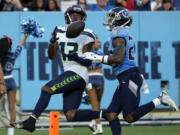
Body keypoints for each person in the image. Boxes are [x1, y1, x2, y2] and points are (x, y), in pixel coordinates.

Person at [82, 7, 179, 135]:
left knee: (129, 117)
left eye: (112, 17)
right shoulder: (121, 32)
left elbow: (118, 58)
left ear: (120, 20)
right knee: (111, 114)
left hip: (129, 77)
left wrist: (98, 58)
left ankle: (160, 99)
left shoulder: (118, 32)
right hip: (126, 77)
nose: (109, 19)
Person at [10, 5, 103, 132]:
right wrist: (52, 42)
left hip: (79, 74)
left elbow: (88, 62)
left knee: (47, 89)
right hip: (70, 74)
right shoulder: (59, 31)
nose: (75, 17)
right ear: (67, 17)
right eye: (73, 14)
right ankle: (105, 114)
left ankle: (31, 120)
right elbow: (51, 55)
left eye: (78, 15)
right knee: (70, 115)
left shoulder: (88, 34)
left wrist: (75, 57)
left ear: (83, 19)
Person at [0, 34, 28, 135]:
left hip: (2, 82)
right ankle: (11, 134)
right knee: (12, 108)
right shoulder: (12, 55)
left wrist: (1, 83)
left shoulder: (0, 57)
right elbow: (20, 46)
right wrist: (25, 35)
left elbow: (0, 72)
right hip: (11, 81)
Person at [86, 36, 104, 134]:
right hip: (97, 77)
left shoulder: (86, 54)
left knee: (96, 104)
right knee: (96, 104)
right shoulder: (100, 54)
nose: (99, 44)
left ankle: (93, 122)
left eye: (99, 42)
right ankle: (99, 126)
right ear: (92, 43)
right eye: (97, 42)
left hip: (93, 77)